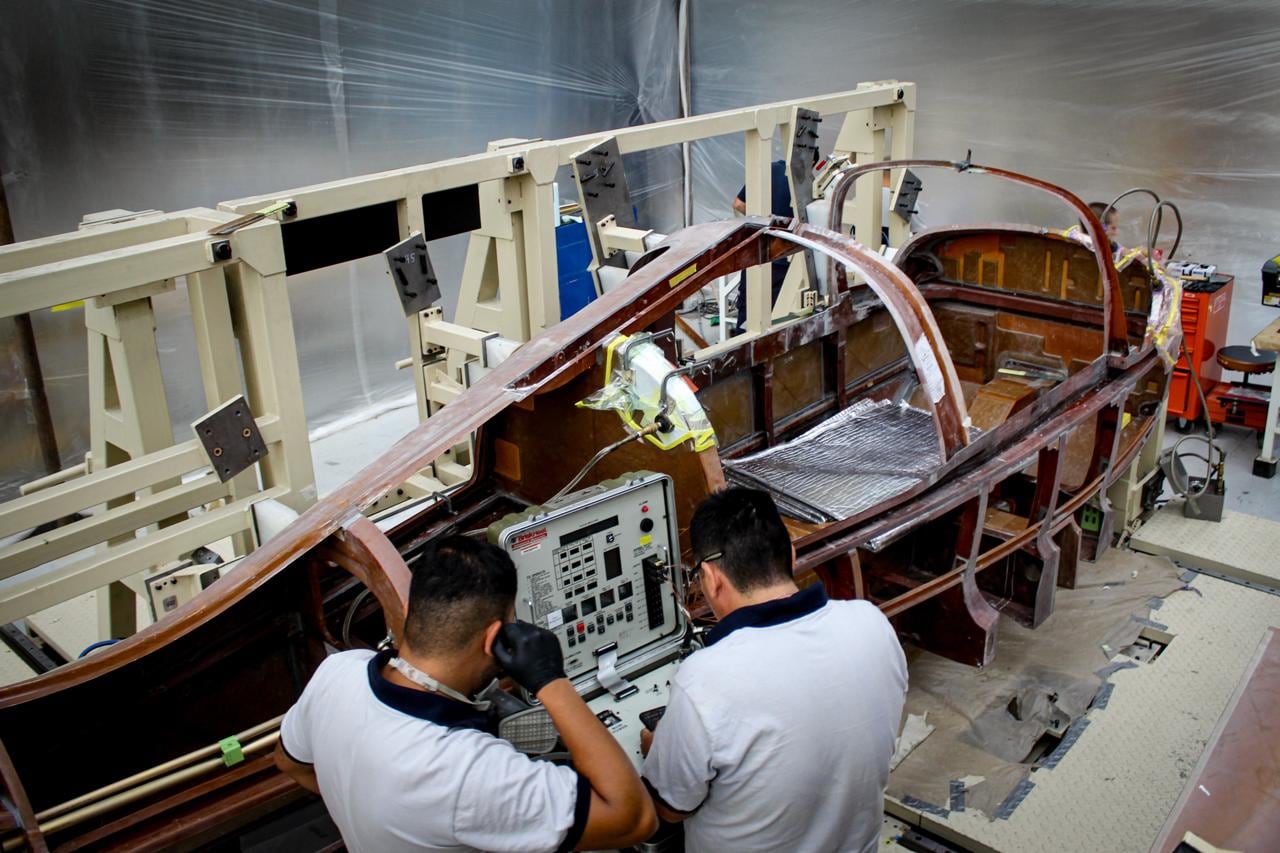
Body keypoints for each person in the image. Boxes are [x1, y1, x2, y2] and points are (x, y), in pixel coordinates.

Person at [274, 535, 656, 852]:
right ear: (495, 637)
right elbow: (634, 818)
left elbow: (290, 762)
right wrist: (550, 681)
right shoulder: (467, 773)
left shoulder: (338, 672)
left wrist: (374, 810)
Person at [640, 488, 908, 853]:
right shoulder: (872, 624)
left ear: (711, 577)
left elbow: (669, 809)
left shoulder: (704, 680)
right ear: (792, 555)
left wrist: (662, 751)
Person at [730, 157, 803, 331]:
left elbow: (738, 204)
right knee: (774, 315)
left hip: (753, 254)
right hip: (782, 257)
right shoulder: (804, 182)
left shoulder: (767, 170)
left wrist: (762, 218)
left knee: (748, 306)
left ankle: (740, 348)